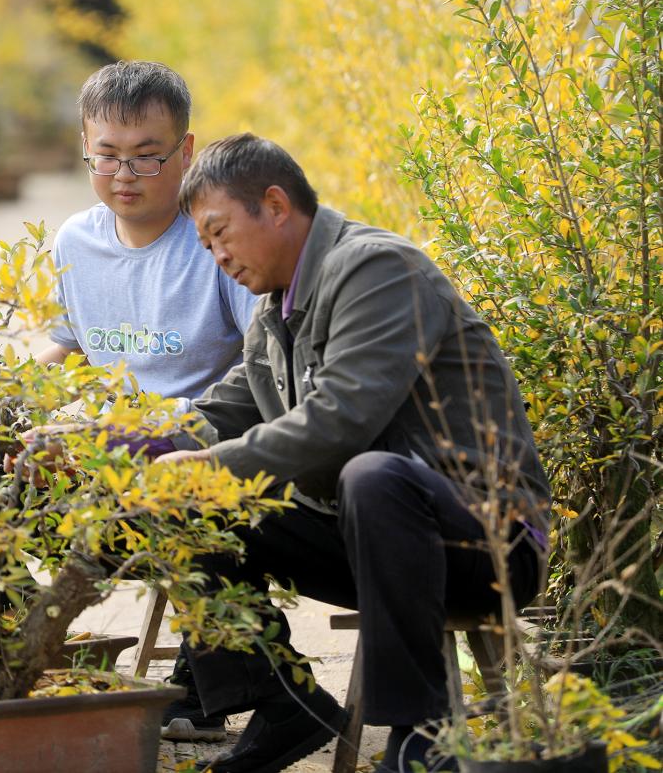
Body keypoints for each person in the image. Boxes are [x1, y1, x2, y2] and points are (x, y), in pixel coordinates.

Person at [156, 133, 550, 773]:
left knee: (373, 476)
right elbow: (222, 413)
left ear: (277, 205)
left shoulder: (376, 269)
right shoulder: (271, 313)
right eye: (206, 246)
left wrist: (212, 465)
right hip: (368, 539)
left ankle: (424, 733)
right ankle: (284, 703)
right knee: (186, 502)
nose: (218, 257)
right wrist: (120, 450)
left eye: (221, 233)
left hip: (489, 539)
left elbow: (342, 417)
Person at [39, 60, 258, 741]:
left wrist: (171, 432)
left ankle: (218, 685)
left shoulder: (215, 240)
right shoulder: (75, 241)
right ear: (84, 146)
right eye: (106, 155)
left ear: (187, 152)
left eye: (147, 155)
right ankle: (1, 658)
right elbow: (61, 348)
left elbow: (265, 364)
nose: (124, 174)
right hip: (102, 455)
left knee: (181, 484)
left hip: (203, 452)